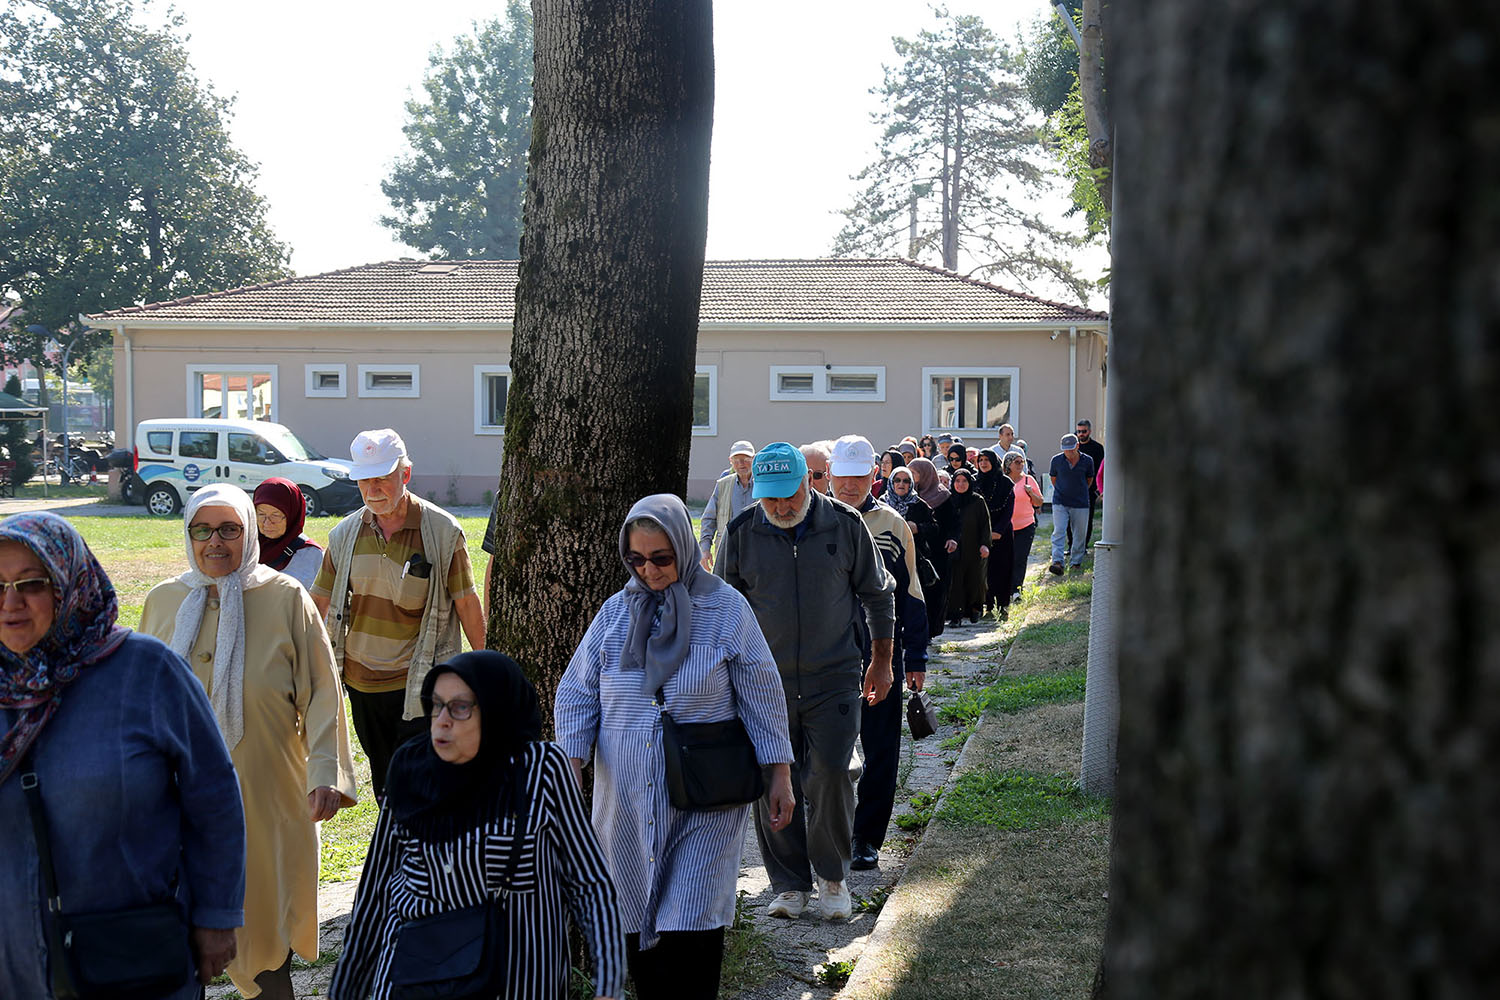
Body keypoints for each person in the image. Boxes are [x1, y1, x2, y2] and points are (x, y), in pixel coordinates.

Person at [556, 495, 795, 998]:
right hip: (625, 803)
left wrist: (780, 775)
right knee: (636, 926)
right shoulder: (615, 614)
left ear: (684, 549)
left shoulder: (726, 607)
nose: (649, 570)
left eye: (661, 558)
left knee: (690, 929)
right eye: (636, 559)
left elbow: (762, 694)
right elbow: (577, 694)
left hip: (703, 800)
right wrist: (572, 764)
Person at [0, 512, 246, 998]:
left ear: (69, 583)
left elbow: (213, 799)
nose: (11, 603)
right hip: (13, 960)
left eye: (31, 584)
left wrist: (216, 917)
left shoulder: (145, 671)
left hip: (129, 957)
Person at [141, 483, 357, 1000]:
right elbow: (139, 702)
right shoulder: (164, 601)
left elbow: (324, 693)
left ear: (249, 533)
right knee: (177, 936)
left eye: (229, 529)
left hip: (267, 797)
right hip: (178, 800)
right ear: (187, 534)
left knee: (264, 937)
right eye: (202, 530)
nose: (215, 542)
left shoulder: (285, 599)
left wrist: (326, 773)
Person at [331, 652, 625, 1000]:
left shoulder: (542, 772)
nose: (441, 721)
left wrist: (609, 985)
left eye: (459, 708)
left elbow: (589, 883)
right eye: (436, 705)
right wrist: (345, 991)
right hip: (416, 979)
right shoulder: (412, 771)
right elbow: (374, 896)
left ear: (495, 710)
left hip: (516, 980)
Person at [715, 442, 895, 920]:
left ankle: (833, 876)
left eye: (788, 495)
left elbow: (878, 596)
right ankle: (789, 883)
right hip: (763, 682)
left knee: (832, 772)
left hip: (834, 677)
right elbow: (720, 609)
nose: (780, 507)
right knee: (775, 777)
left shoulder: (846, 524)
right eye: (770, 498)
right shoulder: (742, 532)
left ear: (807, 482)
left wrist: (881, 661)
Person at [310, 428, 486, 799]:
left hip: (420, 684)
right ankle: (399, 853)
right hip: (362, 686)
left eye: (383, 479)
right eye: (364, 480)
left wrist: (488, 674)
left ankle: (425, 853)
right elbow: (318, 605)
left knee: (423, 784)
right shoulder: (344, 535)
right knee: (386, 787)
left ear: (405, 475)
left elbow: (467, 604)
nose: (373, 489)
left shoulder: (441, 532)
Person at [827, 436, 928, 871]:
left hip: (880, 653)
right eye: (842, 477)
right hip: (826, 656)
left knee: (881, 747)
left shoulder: (892, 523)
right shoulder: (815, 521)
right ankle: (830, 830)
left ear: (875, 475)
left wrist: (916, 658)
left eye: (859, 476)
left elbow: (911, 593)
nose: (849, 486)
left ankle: (867, 838)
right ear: (829, 477)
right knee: (826, 751)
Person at [907, 458, 957, 638]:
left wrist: (952, 539)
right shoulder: (909, 496)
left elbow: (953, 522)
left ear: (926, 474)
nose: (911, 477)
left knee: (936, 591)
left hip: (939, 551)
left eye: (914, 473)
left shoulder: (943, 496)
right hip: (917, 551)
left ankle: (931, 630)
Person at [697, 439, 757, 571]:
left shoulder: (763, 485)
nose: (741, 463)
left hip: (756, 553)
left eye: (745, 458)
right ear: (730, 461)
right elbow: (709, 519)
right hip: (726, 552)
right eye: (736, 459)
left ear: (754, 459)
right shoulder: (722, 485)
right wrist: (705, 549)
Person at [254, 477, 324, 588]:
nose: (267, 523)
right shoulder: (246, 549)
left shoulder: (312, 555)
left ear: (293, 515)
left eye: (275, 515)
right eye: (261, 514)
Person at [945, 467, 992, 626]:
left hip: (974, 546)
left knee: (975, 580)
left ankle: (975, 609)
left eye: (964, 481)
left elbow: (985, 525)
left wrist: (985, 544)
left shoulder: (977, 501)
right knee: (955, 581)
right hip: (955, 549)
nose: (960, 484)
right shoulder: (949, 500)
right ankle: (955, 615)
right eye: (957, 481)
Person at [1049, 433, 1096, 575]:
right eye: (1065, 449)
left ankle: (1076, 562)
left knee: (1080, 533)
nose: (1068, 452)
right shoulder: (1056, 460)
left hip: (1081, 502)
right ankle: (1057, 562)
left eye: (1071, 449)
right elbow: (1054, 479)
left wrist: (1078, 491)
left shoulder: (1087, 461)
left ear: (1077, 446)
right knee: (1059, 531)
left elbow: (1089, 479)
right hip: (1060, 501)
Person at [975, 448, 1014, 619]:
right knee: (985, 571)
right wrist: (984, 533)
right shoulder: (975, 482)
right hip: (981, 534)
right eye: (980, 460)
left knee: (1003, 569)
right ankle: (989, 606)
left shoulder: (1005, 483)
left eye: (986, 460)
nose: (983, 463)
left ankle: (1004, 605)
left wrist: (998, 531)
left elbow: (1008, 510)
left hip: (1003, 532)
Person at [1005, 450, 1045, 602]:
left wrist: (1031, 493)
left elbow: (1039, 502)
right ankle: (1007, 589)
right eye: (1017, 462)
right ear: (1008, 464)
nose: (1020, 465)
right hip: (1006, 528)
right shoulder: (1003, 480)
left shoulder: (1028, 480)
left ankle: (1017, 590)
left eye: (1022, 462)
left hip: (1026, 525)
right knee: (1007, 558)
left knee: (1020, 558)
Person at [1075, 419, 1105, 551]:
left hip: (1090, 489)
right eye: (1079, 431)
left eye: (1084, 431)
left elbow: (1100, 471)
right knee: (1072, 519)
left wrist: (1098, 489)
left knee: (1088, 518)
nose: (1081, 434)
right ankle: (1072, 545)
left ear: (1089, 431)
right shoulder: (1074, 446)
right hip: (1074, 488)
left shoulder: (1097, 448)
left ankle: (1084, 545)